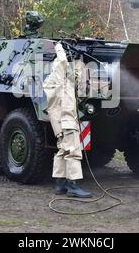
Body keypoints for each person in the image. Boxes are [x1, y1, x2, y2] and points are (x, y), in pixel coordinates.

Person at [43, 42, 92, 198]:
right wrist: (61, 48)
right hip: (66, 118)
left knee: (62, 150)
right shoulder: (61, 82)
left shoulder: (52, 82)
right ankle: (73, 185)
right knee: (73, 150)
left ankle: (60, 184)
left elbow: (75, 79)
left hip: (60, 119)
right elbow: (64, 66)